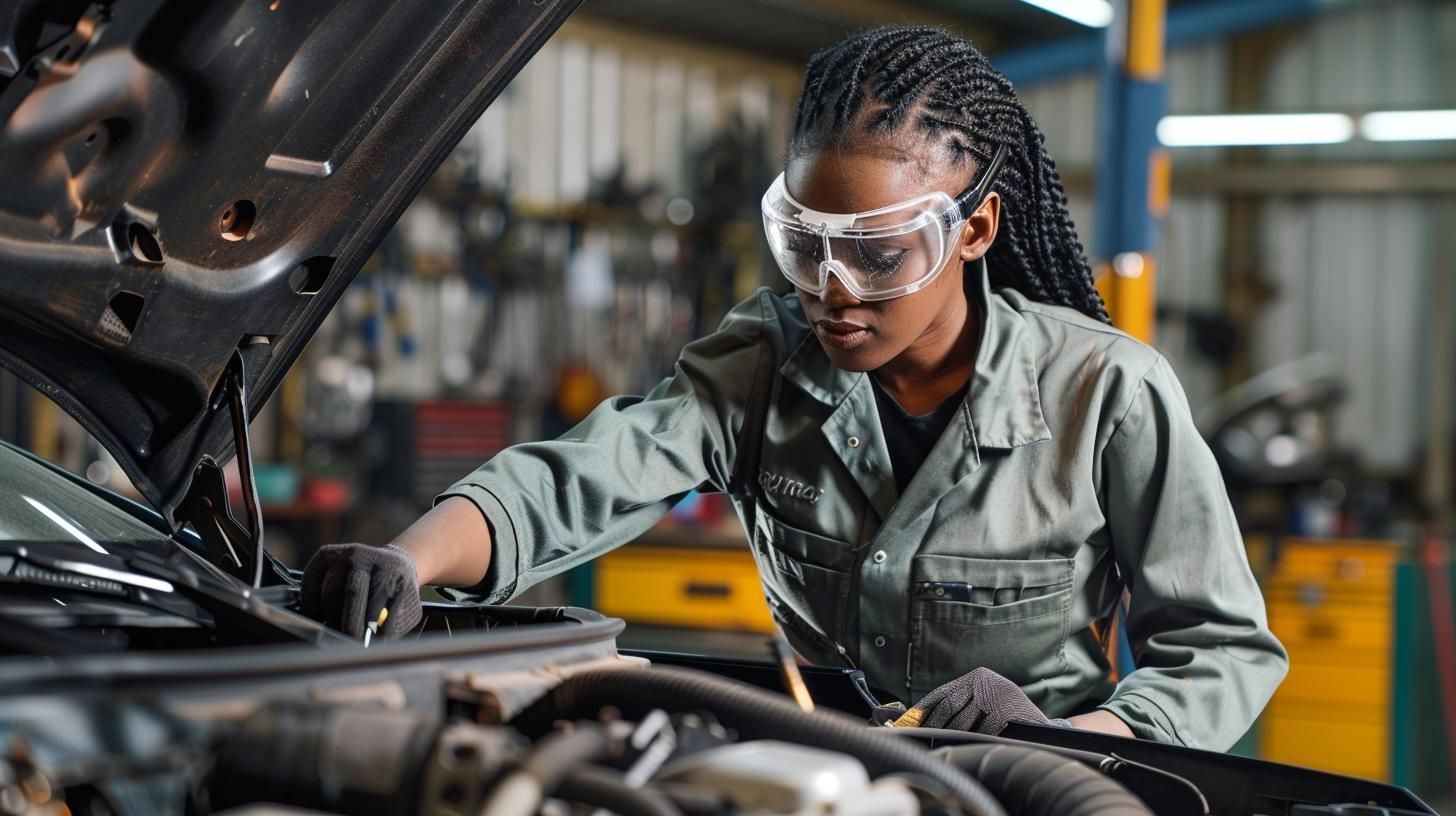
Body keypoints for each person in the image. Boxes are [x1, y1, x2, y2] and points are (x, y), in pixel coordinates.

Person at [302, 25, 1286, 750]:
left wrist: (1081, 734)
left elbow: (1222, 651)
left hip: (1038, 782)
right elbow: (583, 476)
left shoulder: (1106, 393)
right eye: (804, 245)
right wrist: (406, 560)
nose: (832, 291)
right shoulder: (767, 361)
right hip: (828, 772)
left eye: (875, 253)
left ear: (973, 232)